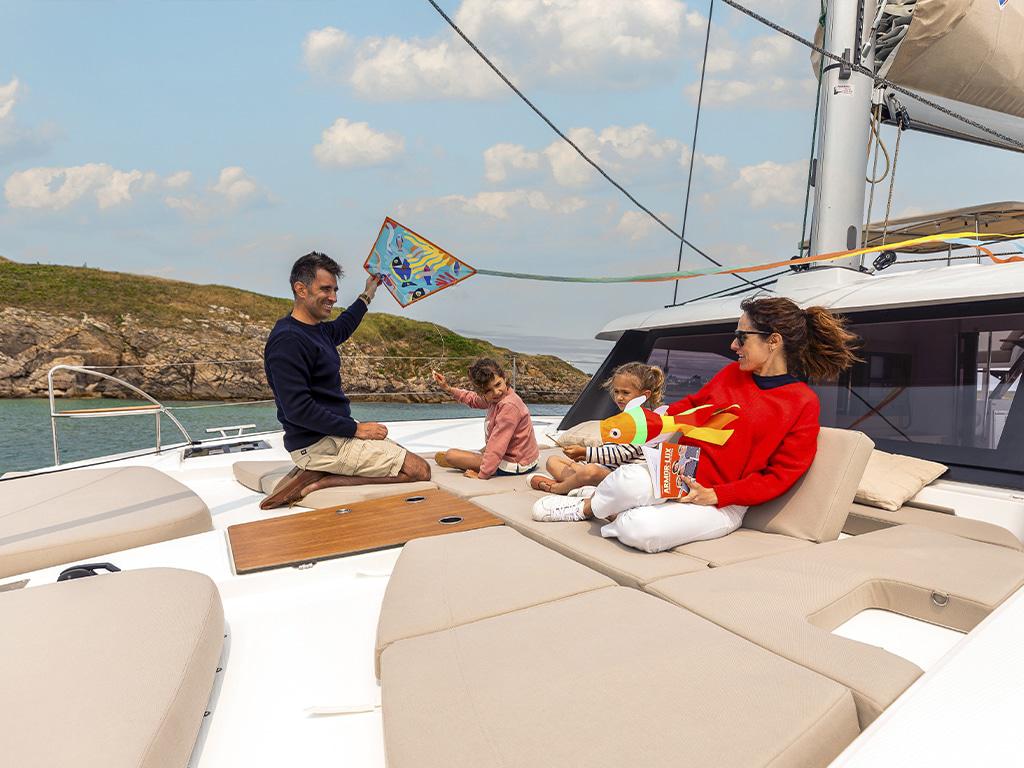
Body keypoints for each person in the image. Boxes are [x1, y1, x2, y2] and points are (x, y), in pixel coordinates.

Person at [532, 296, 860, 553]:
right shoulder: (731, 374)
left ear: (773, 341)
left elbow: (782, 475)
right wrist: (646, 421)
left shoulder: (802, 403)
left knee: (642, 530)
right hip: (678, 469)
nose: (733, 346)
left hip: (722, 501)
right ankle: (589, 506)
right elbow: (689, 408)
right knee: (626, 482)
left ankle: (616, 510)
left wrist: (717, 494)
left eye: (741, 337)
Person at [260, 251, 430, 509]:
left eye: (335, 290)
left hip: (334, 436)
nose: (333, 297)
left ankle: (324, 471)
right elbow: (297, 409)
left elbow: (344, 325)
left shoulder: (316, 330)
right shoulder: (288, 340)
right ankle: (323, 480)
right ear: (301, 289)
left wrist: (368, 293)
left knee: (399, 454)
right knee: (419, 470)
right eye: (325, 289)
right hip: (319, 445)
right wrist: (356, 430)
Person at [530, 362, 664, 495]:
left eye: (625, 392)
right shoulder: (623, 419)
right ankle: (579, 483)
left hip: (623, 476)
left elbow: (620, 454)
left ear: (645, 395)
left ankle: (557, 488)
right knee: (553, 461)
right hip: (607, 470)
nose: (619, 397)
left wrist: (586, 452)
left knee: (590, 471)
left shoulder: (646, 423)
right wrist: (585, 457)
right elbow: (609, 450)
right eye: (616, 391)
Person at [431, 358, 540, 480]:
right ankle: (469, 460)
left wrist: (482, 474)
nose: (496, 392)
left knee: (451, 455)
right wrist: (448, 388)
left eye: (498, 384)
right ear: (482, 392)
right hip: (520, 456)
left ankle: (464, 461)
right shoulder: (498, 398)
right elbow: (472, 399)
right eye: (488, 390)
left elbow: (497, 446)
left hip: (517, 463)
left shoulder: (509, 406)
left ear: (504, 378)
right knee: (484, 450)